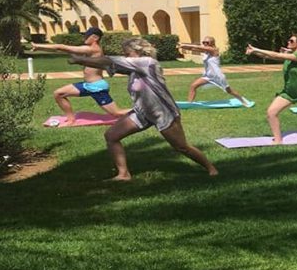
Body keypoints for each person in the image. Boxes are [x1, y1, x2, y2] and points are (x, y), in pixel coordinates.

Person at [68, 37, 217, 180]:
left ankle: (211, 169)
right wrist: (86, 60)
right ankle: (123, 174)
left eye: (127, 53)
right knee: (111, 136)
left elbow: (109, 60)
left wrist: (80, 60)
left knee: (181, 147)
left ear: (139, 51)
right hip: (142, 112)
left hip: (163, 112)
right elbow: (110, 65)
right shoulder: (135, 68)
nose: (125, 57)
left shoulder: (147, 62)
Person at [30, 27, 127, 125]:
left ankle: (137, 111)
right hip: (87, 85)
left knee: (116, 113)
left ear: (95, 38)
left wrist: (38, 46)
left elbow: (61, 47)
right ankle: (71, 120)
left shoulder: (94, 49)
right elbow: (61, 50)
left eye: (87, 36)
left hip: (97, 87)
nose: (84, 37)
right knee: (59, 94)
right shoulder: (89, 49)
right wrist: (41, 48)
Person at [180, 36, 251, 106]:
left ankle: (243, 101)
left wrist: (184, 45)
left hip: (217, 76)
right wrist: (182, 46)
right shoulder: (206, 51)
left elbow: (198, 47)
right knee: (193, 86)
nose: (205, 44)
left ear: (212, 43)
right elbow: (193, 48)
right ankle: (190, 104)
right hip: (208, 76)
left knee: (229, 90)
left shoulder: (214, 50)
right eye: (203, 42)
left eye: (207, 42)